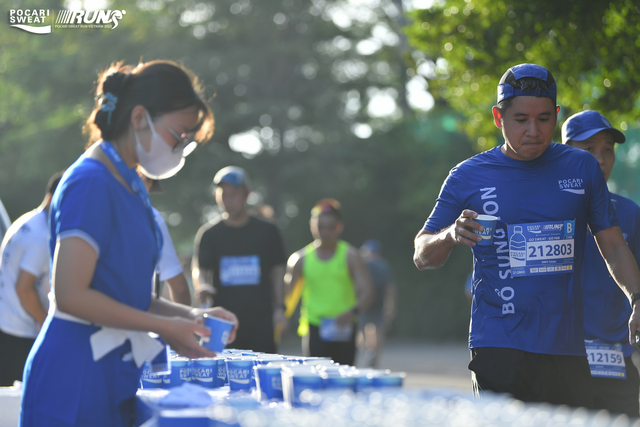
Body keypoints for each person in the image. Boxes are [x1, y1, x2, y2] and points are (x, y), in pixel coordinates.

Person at [19, 60, 238, 427]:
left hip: (111, 370)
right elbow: (71, 294)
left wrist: (190, 317)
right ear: (140, 119)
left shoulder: (131, 185)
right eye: (179, 135)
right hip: (73, 377)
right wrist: (165, 328)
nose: (181, 148)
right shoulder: (90, 182)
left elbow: (123, 291)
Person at [413, 63, 640, 408]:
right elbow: (422, 254)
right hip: (498, 343)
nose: (534, 130)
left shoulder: (581, 168)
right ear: (498, 118)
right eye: (521, 120)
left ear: (557, 115)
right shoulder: (467, 175)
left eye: (544, 119)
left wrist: (637, 298)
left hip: (565, 346)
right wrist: (450, 235)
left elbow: (613, 244)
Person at [562, 110, 640, 416]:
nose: (601, 159)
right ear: (566, 153)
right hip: (558, 360)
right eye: (589, 150)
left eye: (607, 149)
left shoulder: (631, 214)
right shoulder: (543, 210)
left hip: (614, 362)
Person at [193, 166, 287, 353]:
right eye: (223, 195)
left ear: (247, 194)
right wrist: (201, 286)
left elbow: (278, 272)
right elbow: (199, 270)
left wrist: (279, 308)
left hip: (261, 321)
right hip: (223, 324)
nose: (228, 200)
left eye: (234, 194)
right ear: (215, 196)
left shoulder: (268, 231)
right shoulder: (209, 234)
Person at [285, 199, 373, 365]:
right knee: (316, 379)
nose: (325, 232)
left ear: (339, 227)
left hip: (344, 326)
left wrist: (352, 312)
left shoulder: (351, 256)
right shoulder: (300, 259)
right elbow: (287, 296)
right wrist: (281, 318)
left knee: (344, 380)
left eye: (330, 227)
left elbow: (367, 291)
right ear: (312, 225)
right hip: (314, 327)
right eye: (320, 227)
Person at [0, 172, 63, 386]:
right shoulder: (41, 234)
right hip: (17, 334)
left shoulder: (27, 220)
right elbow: (24, 289)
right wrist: (48, 325)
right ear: (52, 197)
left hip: (7, 326)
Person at [138, 170, 191, 306]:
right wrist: (188, 321)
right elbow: (180, 289)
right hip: (135, 322)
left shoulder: (90, 206)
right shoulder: (152, 219)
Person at [357, 239, 396, 368]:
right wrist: (390, 306)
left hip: (364, 301)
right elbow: (390, 288)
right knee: (377, 329)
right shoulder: (384, 265)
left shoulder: (362, 265)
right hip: (378, 302)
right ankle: (374, 355)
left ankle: (368, 352)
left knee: (361, 329)